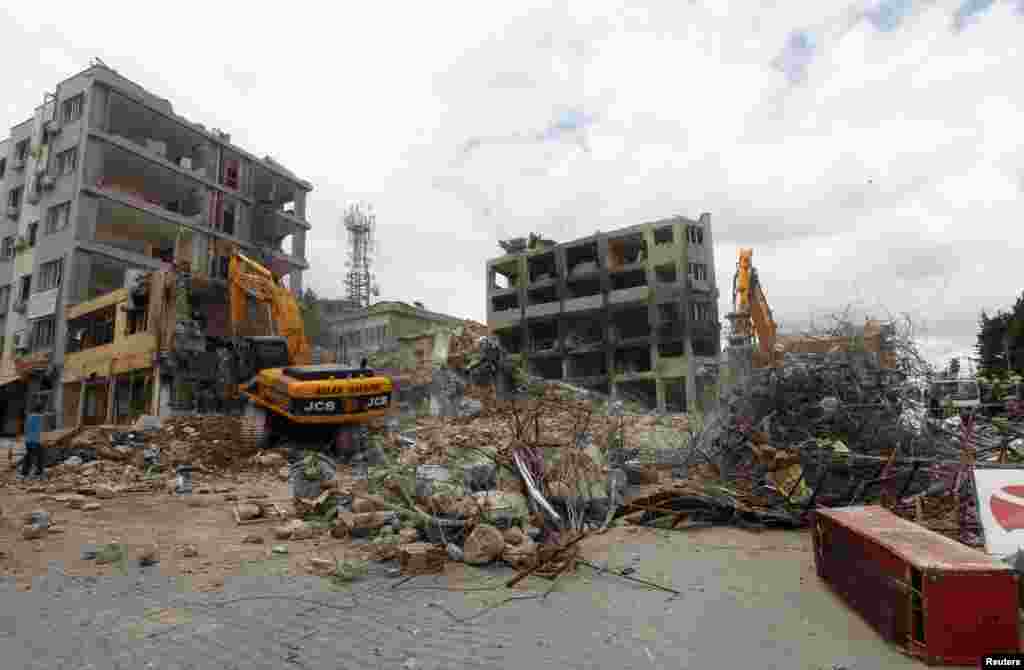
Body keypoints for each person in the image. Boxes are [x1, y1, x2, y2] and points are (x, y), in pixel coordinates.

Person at [20, 400, 46, 481]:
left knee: (28, 456)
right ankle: (39, 473)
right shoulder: (40, 417)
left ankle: (24, 473)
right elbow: (44, 427)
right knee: (40, 457)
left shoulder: (29, 416)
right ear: (41, 409)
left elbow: (25, 429)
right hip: (36, 440)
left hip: (28, 440)